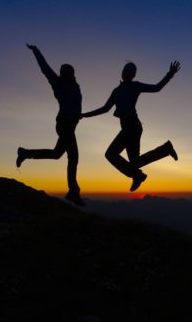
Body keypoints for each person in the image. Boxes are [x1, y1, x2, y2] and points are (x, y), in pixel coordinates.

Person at [82, 61, 181, 191]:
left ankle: (138, 174)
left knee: (112, 154)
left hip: (133, 126)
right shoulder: (116, 91)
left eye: (130, 72)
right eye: (125, 71)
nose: (127, 74)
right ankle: (163, 152)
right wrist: (85, 115)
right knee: (129, 160)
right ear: (122, 72)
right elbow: (105, 108)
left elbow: (156, 88)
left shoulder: (135, 86)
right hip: (126, 127)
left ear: (133, 75)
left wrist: (170, 74)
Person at [16, 44, 85, 206]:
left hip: (71, 124)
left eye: (69, 72)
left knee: (56, 154)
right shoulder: (57, 83)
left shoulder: (76, 86)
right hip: (63, 124)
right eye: (65, 72)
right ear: (62, 73)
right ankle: (73, 193)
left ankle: (25, 153)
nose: (67, 74)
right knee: (73, 156)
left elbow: (76, 105)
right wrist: (36, 51)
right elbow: (45, 68)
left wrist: (78, 115)